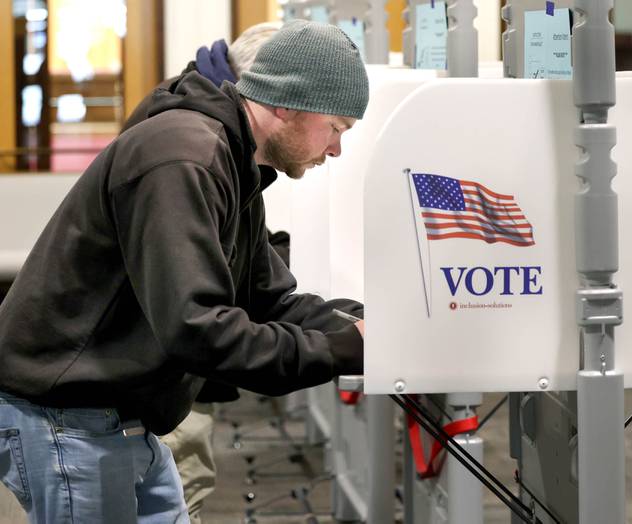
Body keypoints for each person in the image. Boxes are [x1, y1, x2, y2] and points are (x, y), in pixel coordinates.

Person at [0, 20, 368, 524]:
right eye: (336, 128)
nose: (336, 149)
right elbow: (199, 329)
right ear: (287, 103)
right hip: (68, 418)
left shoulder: (237, 160)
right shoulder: (185, 157)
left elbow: (266, 299)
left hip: (119, 415)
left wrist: (365, 326)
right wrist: (339, 350)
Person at [124, 22, 290, 523]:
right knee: (186, 483)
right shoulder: (193, 145)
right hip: (151, 376)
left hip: (158, 377)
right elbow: (193, 315)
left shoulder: (205, 123)